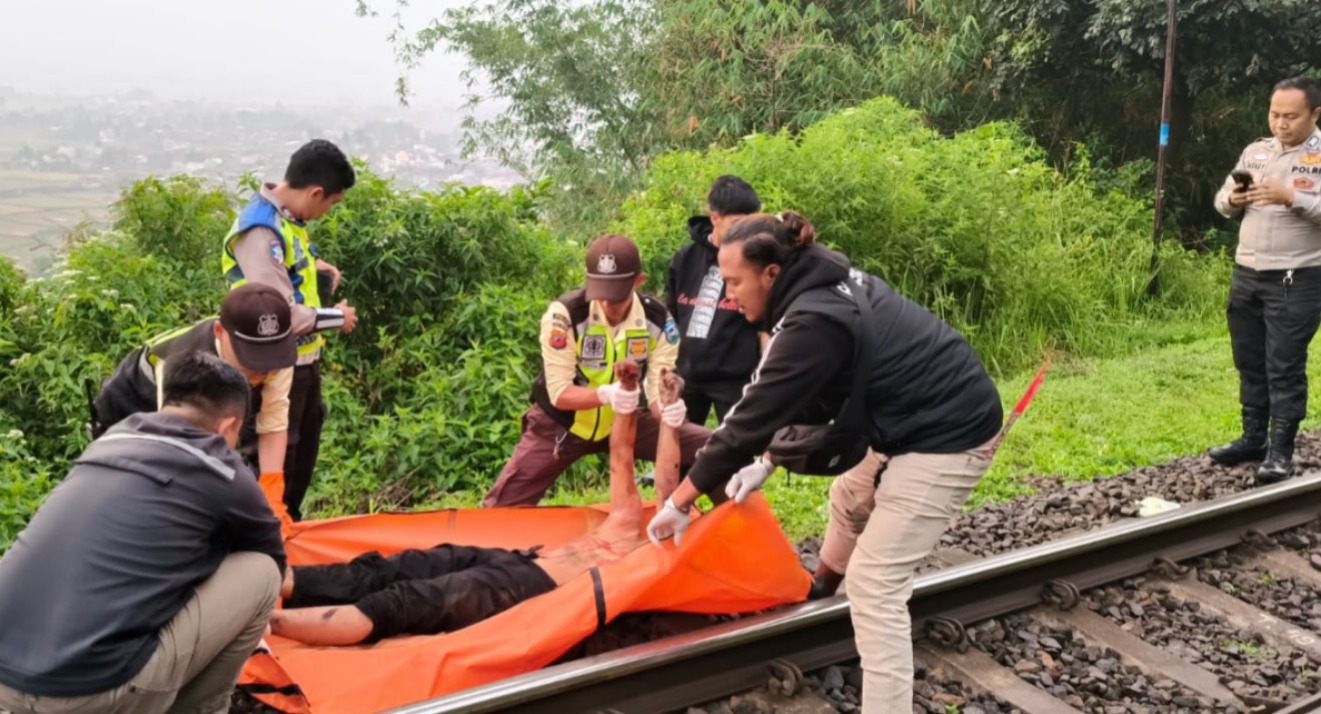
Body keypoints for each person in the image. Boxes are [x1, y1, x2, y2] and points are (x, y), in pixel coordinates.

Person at [645, 212, 1003, 713]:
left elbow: (753, 414)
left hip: (949, 430)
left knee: (876, 587)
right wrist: (767, 462)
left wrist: (681, 499)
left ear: (771, 274)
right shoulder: (811, 288)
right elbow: (796, 399)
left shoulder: (814, 319)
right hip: (901, 414)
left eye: (734, 282)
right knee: (851, 496)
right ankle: (819, 596)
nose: (729, 295)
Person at [270, 361, 675, 646]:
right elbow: (622, 452)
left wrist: (672, 424)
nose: (675, 506)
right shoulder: (626, 520)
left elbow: (669, 485)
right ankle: (280, 582)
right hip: (521, 561)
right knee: (405, 565)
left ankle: (267, 626)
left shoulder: (661, 558)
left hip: (531, 588)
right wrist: (625, 392)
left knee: (409, 602)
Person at [0, 352, 286, 714]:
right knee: (260, 572)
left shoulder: (111, 439)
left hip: (5, 674)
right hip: (91, 689)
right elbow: (273, 558)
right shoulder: (219, 464)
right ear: (228, 426)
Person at [483, 234, 711, 508]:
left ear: (639, 282)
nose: (606, 304)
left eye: (616, 295)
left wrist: (669, 411)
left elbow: (655, 392)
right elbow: (558, 393)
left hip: (625, 420)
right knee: (500, 508)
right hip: (562, 424)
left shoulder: (659, 322)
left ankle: (727, 526)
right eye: (600, 292)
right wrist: (605, 394)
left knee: (712, 449)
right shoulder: (565, 315)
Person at [223, 138, 359, 520]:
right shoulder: (261, 231)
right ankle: (268, 535)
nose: (327, 212)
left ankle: (288, 529)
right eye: (331, 203)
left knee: (302, 449)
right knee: (273, 453)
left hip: (301, 358)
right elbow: (280, 310)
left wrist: (316, 268)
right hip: (270, 363)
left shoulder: (287, 219)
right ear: (316, 192)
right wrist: (337, 317)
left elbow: (287, 268)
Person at [1209, 76, 1321, 485]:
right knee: (1250, 360)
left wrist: (1292, 197)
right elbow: (1222, 201)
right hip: (1247, 273)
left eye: (1291, 116)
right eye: (1275, 114)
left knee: (1284, 365)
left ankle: (1280, 452)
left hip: (1298, 276)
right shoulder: (1255, 151)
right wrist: (1232, 202)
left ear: (1315, 114)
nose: (1280, 124)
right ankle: (1252, 438)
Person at [91, 282, 298, 478]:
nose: (262, 369)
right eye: (251, 357)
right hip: (132, 408)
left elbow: (273, 422)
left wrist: (272, 486)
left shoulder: (278, 355)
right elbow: (181, 449)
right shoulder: (184, 367)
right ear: (220, 333)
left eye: (270, 357)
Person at [665, 176, 767, 425]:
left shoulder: (756, 261)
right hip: (687, 374)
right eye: (736, 223)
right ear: (715, 219)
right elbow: (670, 317)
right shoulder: (685, 259)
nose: (744, 232)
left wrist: (765, 375)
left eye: (749, 223)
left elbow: (765, 322)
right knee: (678, 445)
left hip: (734, 378)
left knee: (736, 451)